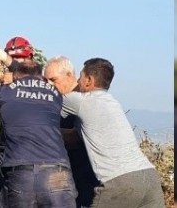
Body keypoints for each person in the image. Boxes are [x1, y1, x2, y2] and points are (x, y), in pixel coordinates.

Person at [60, 58, 165, 208]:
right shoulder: (113, 103)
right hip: (150, 178)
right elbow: (75, 136)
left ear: (89, 80)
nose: (77, 81)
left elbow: (41, 110)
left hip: (119, 183)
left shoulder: (79, 100)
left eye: (80, 77)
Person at [0, 51, 77, 207]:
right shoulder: (55, 93)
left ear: (16, 76)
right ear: (40, 76)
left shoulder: (8, 91)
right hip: (57, 172)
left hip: (22, 173)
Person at [0, 36, 37, 208]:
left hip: (27, 157)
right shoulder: (6, 85)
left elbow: (29, 78)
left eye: (21, 60)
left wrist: (7, 61)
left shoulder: (40, 84)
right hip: (3, 152)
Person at [44, 56, 99, 208]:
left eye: (53, 79)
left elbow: (76, 138)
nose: (49, 85)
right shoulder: (59, 100)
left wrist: (41, 132)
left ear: (69, 75)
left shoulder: (82, 100)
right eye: (46, 81)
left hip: (85, 177)